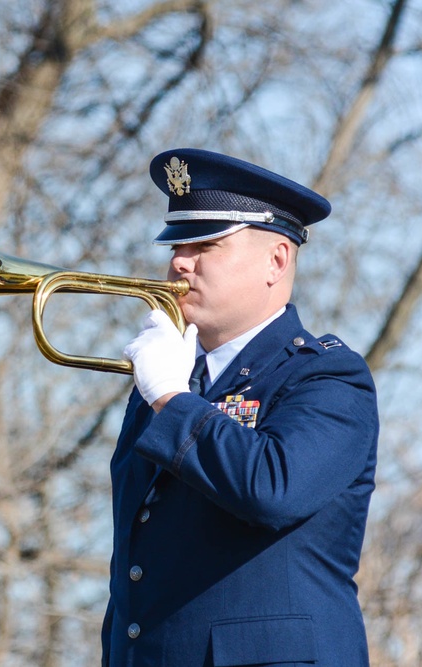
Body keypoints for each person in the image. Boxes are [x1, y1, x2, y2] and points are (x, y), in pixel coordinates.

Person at [103, 148, 379, 666]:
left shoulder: (327, 378)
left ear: (277, 260)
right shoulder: (172, 384)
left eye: (206, 243)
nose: (180, 261)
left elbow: (271, 488)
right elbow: (134, 568)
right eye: (177, 243)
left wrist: (169, 395)